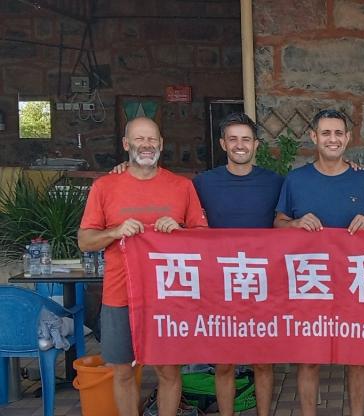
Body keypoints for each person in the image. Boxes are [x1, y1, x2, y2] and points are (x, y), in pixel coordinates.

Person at [79, 117, 208, 416]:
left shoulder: (182, 186)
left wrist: (179, 231)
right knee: (123, 371)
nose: (146, 145)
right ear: (126, 144)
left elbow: (204, 238)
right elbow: (85, 241)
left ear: (161, 144)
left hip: (169, 296)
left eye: (152, 139)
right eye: (139, 139)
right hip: (119, 295)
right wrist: (114, 232)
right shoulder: (104, 186)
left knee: (169, 371)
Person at [274, 109, 364, 416]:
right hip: (311, 283)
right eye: (325, 133)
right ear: (313, 137)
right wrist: (295, 224)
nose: (332, 139)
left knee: (357, 359)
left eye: (338, 133)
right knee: (309, 360)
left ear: (347, 138)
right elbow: (278, 223)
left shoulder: (363, 178)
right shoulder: (296, 179)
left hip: (354, 281)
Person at [191, 113, 281, 416]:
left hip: (263, 283)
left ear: (256, 144)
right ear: (222, 144)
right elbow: (184, 222)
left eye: (246, 139)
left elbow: (289, 222)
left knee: (263, 362)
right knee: (224, 362)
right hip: (219, 284)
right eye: (233, 139)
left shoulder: (275, 182)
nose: (239, 145)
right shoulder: (203, 183)